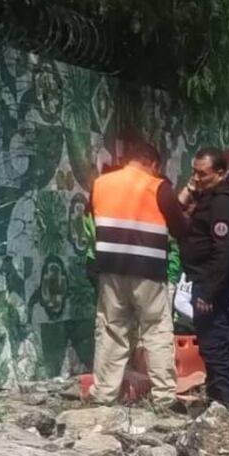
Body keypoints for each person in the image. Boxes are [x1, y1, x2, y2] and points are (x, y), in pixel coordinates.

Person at [89, 142, 188, 408]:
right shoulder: (159, 187)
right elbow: (180, 229)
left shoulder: (101, 184)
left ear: (127, 161)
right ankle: (165, 398)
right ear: (154, 165)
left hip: (111, 269)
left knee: (111, 330)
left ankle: (104, 395)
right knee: (156, 331)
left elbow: (94, 216)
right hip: (148, 272)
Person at [178, 147, 229, 409]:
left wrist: (208, 292)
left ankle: (226, 406)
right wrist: (191, 187)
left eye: (203, 174)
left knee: (213, 345)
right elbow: (174, 210)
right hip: (207, 279)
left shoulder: (222, 202)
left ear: (220, 173)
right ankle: (221, 400)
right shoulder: (208, 195)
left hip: (213, 282)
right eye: (194, 172)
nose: (197, 178)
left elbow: (224, 251)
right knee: (213, 344)